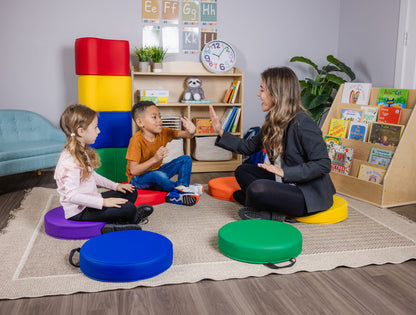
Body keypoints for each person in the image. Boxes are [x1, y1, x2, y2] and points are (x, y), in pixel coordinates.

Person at [209, 67, 336, 221]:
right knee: (242, 171)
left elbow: (323, 164)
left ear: (276, 94)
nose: (258, 94)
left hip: (306, 194)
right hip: (283, 183)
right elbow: (247, 147)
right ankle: (263, 204)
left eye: (262, 90)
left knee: (257, 188)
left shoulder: (303, 123)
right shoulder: (273, 122)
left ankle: (264, 209)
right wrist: (220, 131)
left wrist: (285, 173)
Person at [55, 104, 153, 233]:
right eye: (95, 127)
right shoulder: (71, 161)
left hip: (91, 200)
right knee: (128, 208)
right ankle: (128, 220)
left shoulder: (82, 151)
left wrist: (116, 186)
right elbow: (72, 196)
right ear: (81, 132)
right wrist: (103, 203)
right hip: (80, 211)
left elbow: (92, 176)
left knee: (130, 191)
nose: (98, 131)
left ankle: (119, 218)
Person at [127, 101, 203, 206]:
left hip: (157, 173)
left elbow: (187, 135)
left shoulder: (163, 132)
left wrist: (192, 130)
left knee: (186, 159)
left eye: (160, 116)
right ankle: (181, 190)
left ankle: (182, 188)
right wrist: (155, 159)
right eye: (154, 117)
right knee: (157, 175)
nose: (159, 120)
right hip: (138, 180)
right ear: (140, 122)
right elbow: (134, 170)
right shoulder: (136, 140)